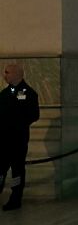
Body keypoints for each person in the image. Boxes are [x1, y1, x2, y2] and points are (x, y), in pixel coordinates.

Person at [0, 63, 40, 211]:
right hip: (3, 139)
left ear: (17, 74)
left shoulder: (28, 93)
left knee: (17, 170)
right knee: (1, 169)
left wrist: (17, 123)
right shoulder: (5, 93)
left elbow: (33, 115)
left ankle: (15, 198)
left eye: (7, 72)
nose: (5, 75)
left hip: (17, 139)